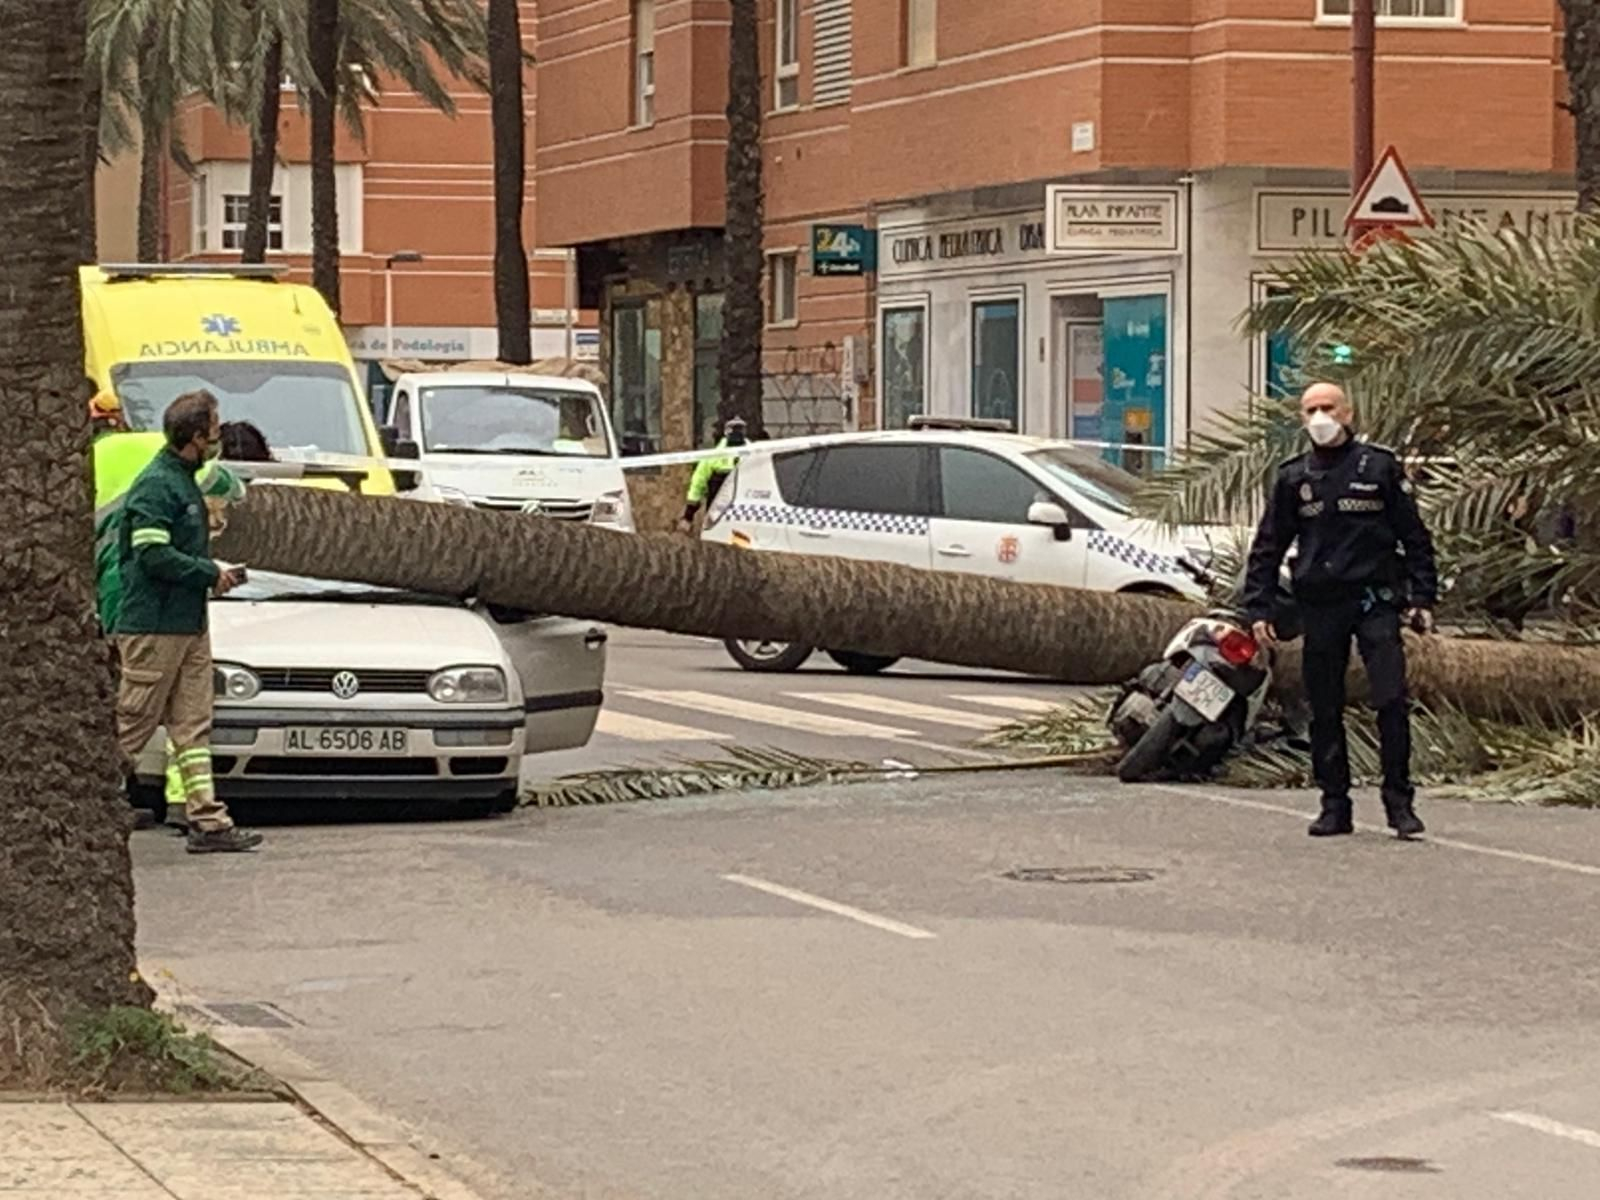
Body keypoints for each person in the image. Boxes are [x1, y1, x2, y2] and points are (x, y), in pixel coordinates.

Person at [1243, 382, 1438, 840]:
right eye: (1311, 409)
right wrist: (1259, 607)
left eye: (1328, 407)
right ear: (1301, 418)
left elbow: (1414, 536)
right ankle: (1334, 803)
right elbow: (1268, 546)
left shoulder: (1380, 467)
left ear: (1347, 412)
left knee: (1390, 698)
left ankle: (1399, 802)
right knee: (1324, 705)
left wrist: (1422, 597)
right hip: (1322, 603)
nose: (1320, 416)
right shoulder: (1295, 477)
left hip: (1375, 600)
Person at [115, 391, 262, 854]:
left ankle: (208, 822)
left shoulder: (184, 480)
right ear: (196, 437)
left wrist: (210, 575)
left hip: (187, 622)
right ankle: (90, 806)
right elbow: (152, 554)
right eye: (215, 430)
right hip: (155, 625)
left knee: (192, 726)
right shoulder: (158, 486)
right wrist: (209, 573)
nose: (219, 437)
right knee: (132, 722)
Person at [676, 416, 748, 533]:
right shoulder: (713, 457)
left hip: (745, 514)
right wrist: (688, 515)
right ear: (726, 432)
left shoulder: (754, 453)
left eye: (739, 429)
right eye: (734, 429)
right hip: (716, 516)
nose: (737, 433)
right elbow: (698, 483)